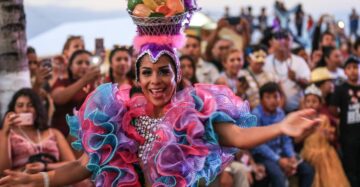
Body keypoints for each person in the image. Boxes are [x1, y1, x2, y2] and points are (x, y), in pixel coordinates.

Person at [0, 2, 319, 186]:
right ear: (137, 78)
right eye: (147, 72)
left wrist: (281, 127)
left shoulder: (193, 112)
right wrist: (39, 182)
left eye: (164, 71)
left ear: (177, 74)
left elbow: (236, 136)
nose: (156, 81)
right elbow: (84, 165)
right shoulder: (118, 115)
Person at [251, 82, 315, 187]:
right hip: (263, 155)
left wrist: (291, 156)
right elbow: (258, 145)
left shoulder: (280, 113)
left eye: (275, 96)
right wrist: (278, 160)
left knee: (307, 170)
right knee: (278, 176)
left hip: (280, 153)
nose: (273, 101)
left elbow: (285, 139)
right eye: (268, 97)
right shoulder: (255, 115)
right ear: (261, 100)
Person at [0, 88, 75, 175]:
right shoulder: (6, 134)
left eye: (30, 105)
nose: (25, 109)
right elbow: (3, 172)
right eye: (20, 105)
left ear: (37, 109)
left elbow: (72, 165)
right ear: (13, 111)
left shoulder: (54, 133)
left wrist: (45, 166)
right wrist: (5, 133)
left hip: (54, 180)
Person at [299, 84, 350, 187]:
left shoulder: (324, 118)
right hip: (310, 153)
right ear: (304, 103)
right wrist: (309, 130)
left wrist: (329, 135)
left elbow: (332, 138)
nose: (311, 104)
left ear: (320, 104)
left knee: (332, 179)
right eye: (308, 101)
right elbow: (297, 140)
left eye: (314, 101)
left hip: (326, 153)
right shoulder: (301, 119)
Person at [51, 50, 101, 137]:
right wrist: (84, 80)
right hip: (64, 134)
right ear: (70, 66)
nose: (84, 66)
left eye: (87, 63)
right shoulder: (63, 82)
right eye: (79, 63)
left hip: (88, 135)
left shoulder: (93, 84)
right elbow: (59, 98)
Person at [329, 57, 360, 187]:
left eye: (355, 67)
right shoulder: (340, 89)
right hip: (349, 136)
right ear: (345, 72)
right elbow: (332, 108)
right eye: (349, 68)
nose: (353, 71)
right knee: (351, 167)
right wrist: (343, 115)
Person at [264, 30, 310, 112]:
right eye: (278, 38)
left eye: (286, 38)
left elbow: (308, 85)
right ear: (271, 42)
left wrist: (297, 79)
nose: (282, 41)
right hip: (271, 113)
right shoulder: (265, 62)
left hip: (295, 111)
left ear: (292, 42)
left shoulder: (299, 61)